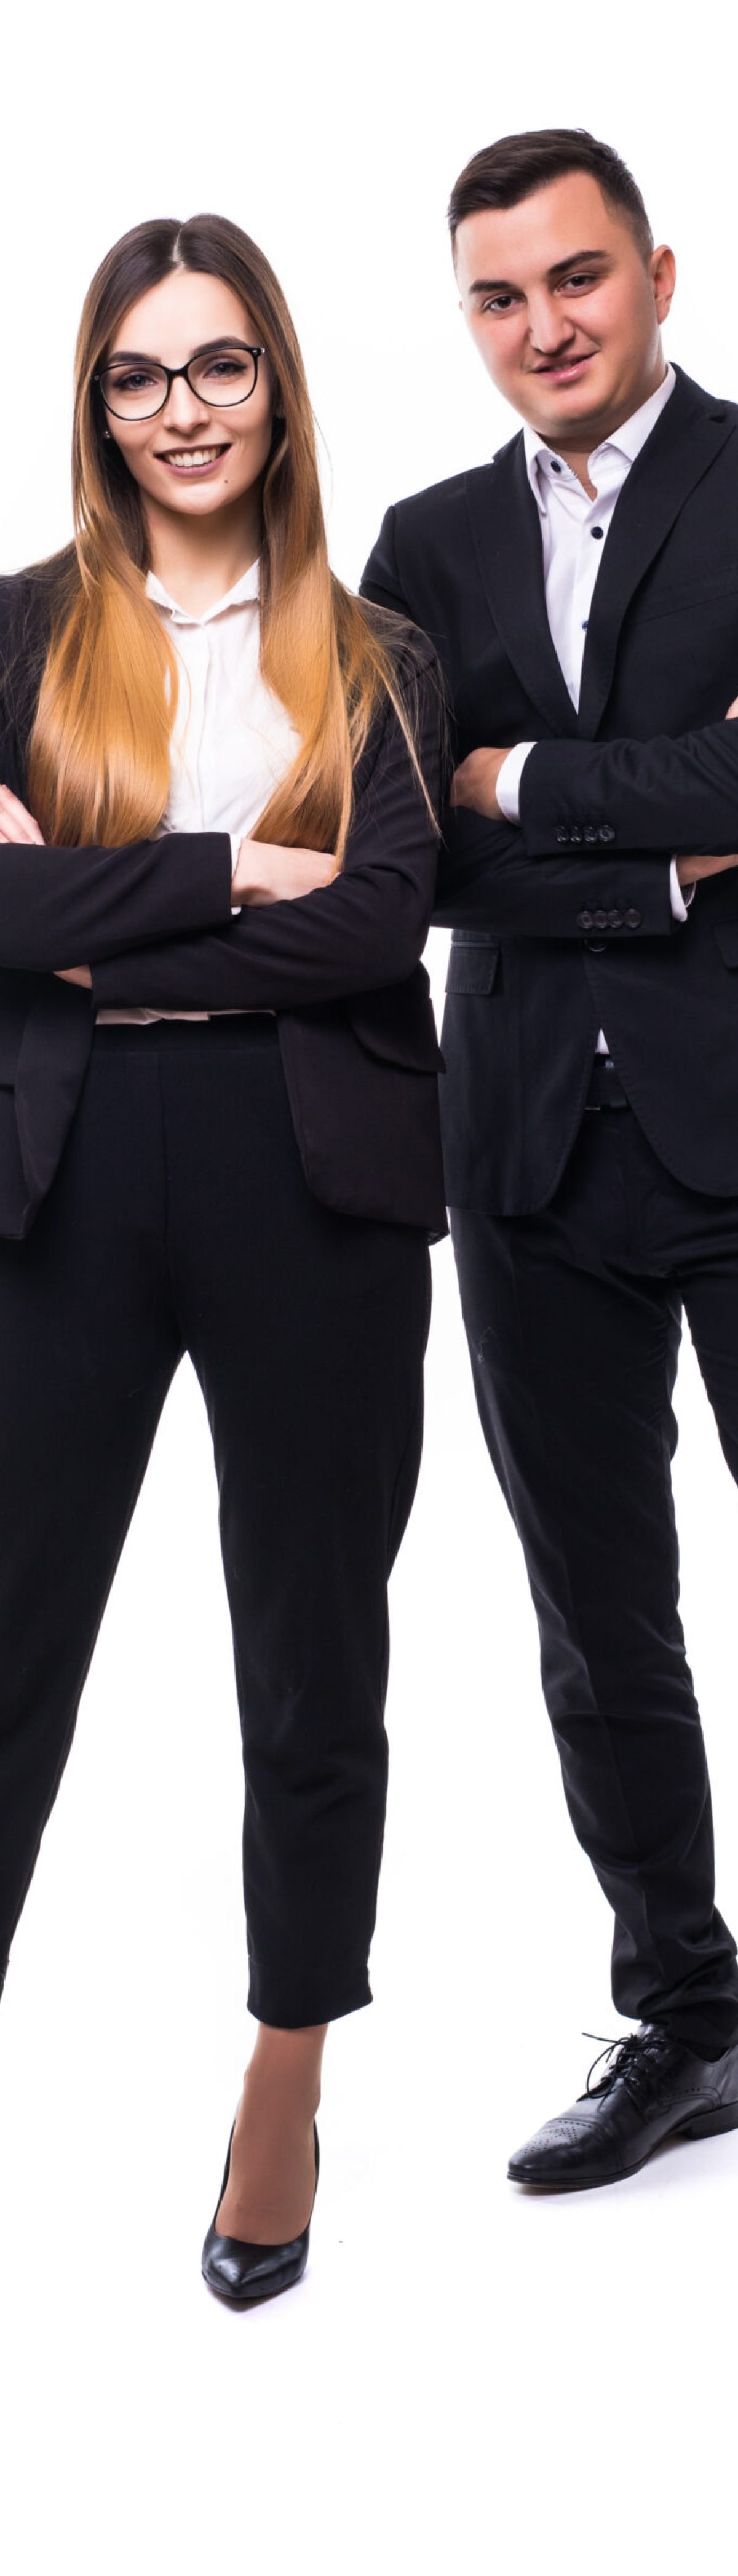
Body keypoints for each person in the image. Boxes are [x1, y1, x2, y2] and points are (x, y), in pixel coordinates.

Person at [0, 210, 446, 2304]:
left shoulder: (378, 654)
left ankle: (289, 2065)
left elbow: (381, 924)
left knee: (311, 1654)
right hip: (63, 1178)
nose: (182, 408)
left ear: (277, 382)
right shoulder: (11, 637)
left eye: (218, 363)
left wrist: (94, 897)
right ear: (98, 408)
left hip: (312, 1179)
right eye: (138, 374)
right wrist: (233, 861)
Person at [361, 127, 738, 2192]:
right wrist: (674, 853)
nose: (545, 328)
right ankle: (689, 2012)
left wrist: (532, 781)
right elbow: (410, 847)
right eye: (500, 298)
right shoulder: (424, 548)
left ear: (658, 272)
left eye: (576, 280)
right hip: (524, 1149)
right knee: (602, 1607)